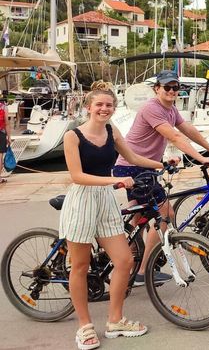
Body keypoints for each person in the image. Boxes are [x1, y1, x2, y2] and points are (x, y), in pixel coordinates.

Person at [60, 81, 165, 349]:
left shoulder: (111, 130)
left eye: (109, 105)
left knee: (124, 259)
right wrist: (114, 182)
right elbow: (76, 176)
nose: (104, 109)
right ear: (89, 107)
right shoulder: (73, 136)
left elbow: (132, 156)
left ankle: (115, 320)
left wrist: (161, 163)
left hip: (105, 199)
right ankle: (84, 327)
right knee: (80, 266)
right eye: (99, 105)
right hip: (82, 199)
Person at [113, 70, 209, 286]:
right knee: (165, 213)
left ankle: (128, 265)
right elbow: (175, 136)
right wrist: (200, 158)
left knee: (137, 222)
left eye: (175, 87)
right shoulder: (152, 108)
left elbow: (187, 129)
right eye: (167, 87)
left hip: (144, 167)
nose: (171, 91)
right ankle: (143, 271)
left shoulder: (170, 109)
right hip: (133, 167)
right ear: (157, 89)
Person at [0, 91, 9, 183]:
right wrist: (9, 137)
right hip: (1, 132)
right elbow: (7, 123)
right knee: (0, 156)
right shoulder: (3, 107)